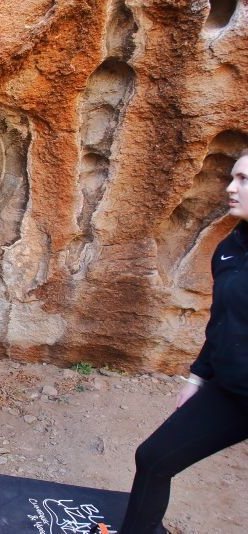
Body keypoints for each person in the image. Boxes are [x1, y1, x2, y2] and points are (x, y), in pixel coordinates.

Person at [118, 151, 248, 533]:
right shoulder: (231, 246)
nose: (230, 187)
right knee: (155, 458)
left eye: (242, 179)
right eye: (232, 177)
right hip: (232, 392)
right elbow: (224, 321)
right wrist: (198, 378)